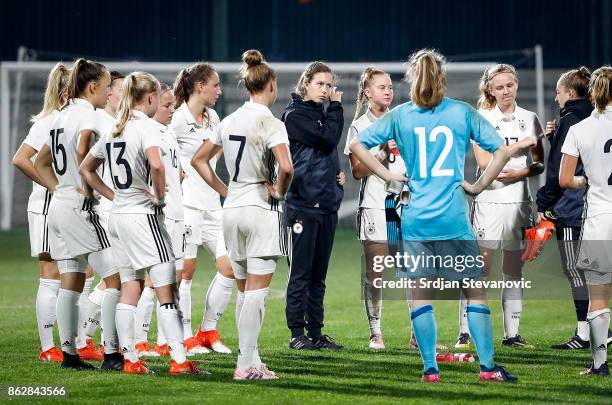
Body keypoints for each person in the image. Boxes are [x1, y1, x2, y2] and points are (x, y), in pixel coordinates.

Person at [350, 49, 519, 383]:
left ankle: (430, 368)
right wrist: (478, 185)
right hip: (453, 218)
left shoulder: (400, 115)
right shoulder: (461, 112)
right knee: (474, 290)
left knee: (420, 294)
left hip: (415, 219)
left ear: (413, 78)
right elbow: (501, 150)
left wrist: (388, 177)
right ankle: (487, 368)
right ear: (441, 77)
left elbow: (356, 146)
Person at [80, 71, 201, 375]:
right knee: (166, 289)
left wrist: (113, 195)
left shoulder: (115, 128)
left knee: (128, 287)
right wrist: (158, 198)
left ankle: (131, 360)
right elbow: (157, 165)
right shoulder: (146, 127)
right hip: (143, 216)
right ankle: (179, 361)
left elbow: (86, 168)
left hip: (118, 218)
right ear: (150, 98)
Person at [192, 49, 293, 380]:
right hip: (260, 209)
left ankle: (251, 359)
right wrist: (279, 189)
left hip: (231, 210)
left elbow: (199, 160)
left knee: (244, 289)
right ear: (271, 85)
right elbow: (287, 168)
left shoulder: (231, 119)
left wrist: (226, 191)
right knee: (257, 292)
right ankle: (245, 365)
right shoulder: (270, 122)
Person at [33, 58, 122, 370]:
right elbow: (85, 150)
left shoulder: (60, 117)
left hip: (60, 205)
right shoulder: (89, 116)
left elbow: (40, 162)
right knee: (118, 278)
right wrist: (87, 185)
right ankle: (113, 354)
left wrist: (60, 189)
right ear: (93, 86)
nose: (111, 91)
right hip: (80, 208)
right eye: (108, 85)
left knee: (70, 280)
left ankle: (69, 355)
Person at [456, 64, 544, 350]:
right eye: (500, 87)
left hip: (519, 202)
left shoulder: (530, 118)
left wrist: (518, 174)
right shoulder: (481, 118)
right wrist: (512, 160)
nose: (506, 91)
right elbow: (483, 163)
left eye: (510, 85)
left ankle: (512, 335)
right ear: (490, 91)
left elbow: (538, 163)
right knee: (479, 267)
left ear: (516, 85)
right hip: (490, 201)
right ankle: (465, 332)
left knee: (514, 269)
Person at [536, 67, 602, 350]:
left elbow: (558, 173)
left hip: (572, 207)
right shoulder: (596, 118)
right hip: (598, 205)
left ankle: (586, 334)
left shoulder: (571, 121)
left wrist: (544, 202)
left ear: (571, 93)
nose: (556, 97)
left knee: (575, 269)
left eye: (559, 92)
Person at [171, 63, 233, 354]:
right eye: (216, 85)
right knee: (186, 271)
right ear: (200, 87)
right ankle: (186, 339)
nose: (219, 90)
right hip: (187, 206)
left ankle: (208, 330)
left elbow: (212, 154)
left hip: (212, 206)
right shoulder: (177, 119)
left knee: (230, 267)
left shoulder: (214, 117)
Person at [283, 61, 345, 350]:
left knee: (318, 275)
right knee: (300, 273)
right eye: (320, 83)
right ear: (305, 83)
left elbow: (325, 152)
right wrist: (336, 108)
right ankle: (297, 333)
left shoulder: (322, 115)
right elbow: (327, 138)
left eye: (329, 84)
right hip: (302, 206)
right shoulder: (294, 115)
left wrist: (337, 178)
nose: (326, 89)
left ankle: (317, 333)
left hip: (326, 206)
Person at [12, 63, 70, 363]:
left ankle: (73, 342)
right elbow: (21, 159)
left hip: (64, 206)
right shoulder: (48, 122)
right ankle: (48, 348)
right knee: (51, 274)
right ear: (64, 92)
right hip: (47, 206)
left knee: (76, 273)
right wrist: (52, 185)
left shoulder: (71, 119)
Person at [559, 65, 612, 377]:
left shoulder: (580, 129)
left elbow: (566, 179)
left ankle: (599, 365)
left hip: (600, 219)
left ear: (593, 92)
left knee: (599, 298)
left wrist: (586, 181)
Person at [344, 67, 401, 349]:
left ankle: (418, 334)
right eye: (381, 87)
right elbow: (356, 170)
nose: (388, 91)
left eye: (390, 86)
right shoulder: (360, 126)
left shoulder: (402, 120)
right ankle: (375, 331)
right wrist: (380, 151)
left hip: (405, 205)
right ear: (367, 92)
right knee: (376, 272)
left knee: (414, 271)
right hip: (376, 205)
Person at [133, 83, 186, 357]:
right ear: (152, 103)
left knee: (171, 280)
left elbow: (175, 170)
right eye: (166, 106)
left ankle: (163, 342)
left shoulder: (167, 133)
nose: (171, 111)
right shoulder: (148, 134)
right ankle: (141, 340)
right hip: (161, 216)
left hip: (177, 213)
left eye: (173, 106)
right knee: (154, 282)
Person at [77, 70, 125, 362]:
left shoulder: (116, 123)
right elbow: (84, 160)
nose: (115, 93)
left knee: (109, 278)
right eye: (115, 89)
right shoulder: (99, 122)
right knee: (113, 279)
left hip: (115, 207)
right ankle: (87, 339)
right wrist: (93, 192)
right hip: (108, 208)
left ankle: (86, 339)